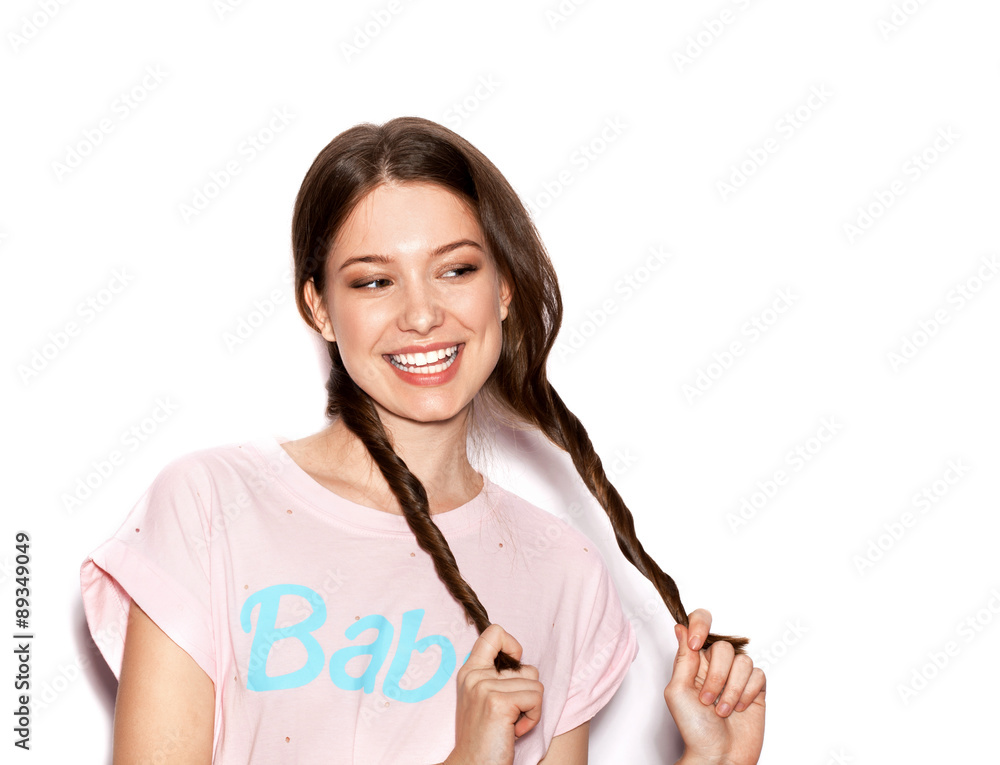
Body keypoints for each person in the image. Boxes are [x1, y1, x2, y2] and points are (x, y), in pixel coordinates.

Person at [80, 116, 765, 764]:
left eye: (457, 269)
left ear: (502, 286)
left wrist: (711, 759)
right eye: (375, 280)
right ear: (318, 305)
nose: (421, 313)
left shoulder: (564, 572)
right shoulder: (208, 506)